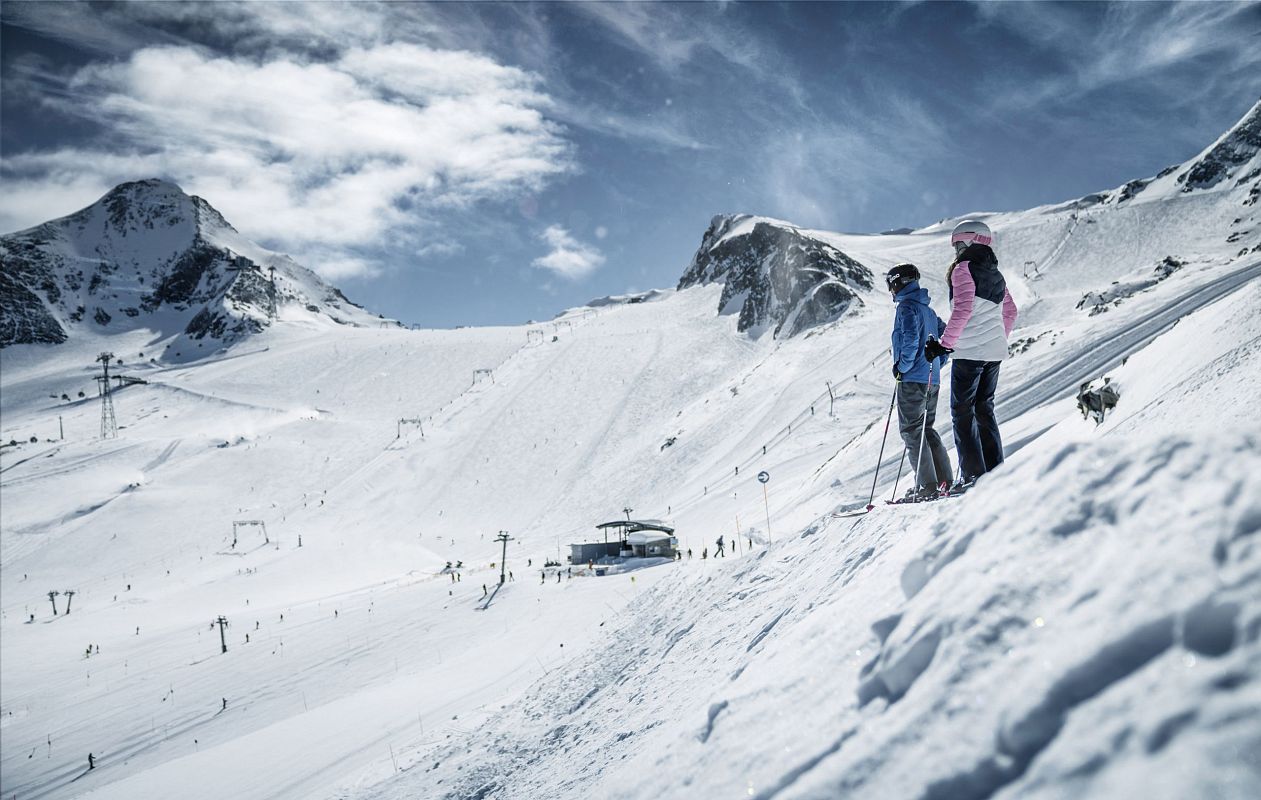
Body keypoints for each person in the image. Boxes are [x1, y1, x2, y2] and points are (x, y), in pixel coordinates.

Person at [925, 220, 1018, 492]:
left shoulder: (962, 269)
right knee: (984, 410)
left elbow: (963, 309)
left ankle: (973, 476)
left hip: (969, 353)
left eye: (957, 244)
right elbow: (1010, 312)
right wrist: (996, 339)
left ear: (970, 241)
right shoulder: (995, 274)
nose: (955, 250)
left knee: (962, 412)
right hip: (993, 353)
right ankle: (995, 471)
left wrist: (945, 344)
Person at [886, 263, 953, 500]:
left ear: (897, 283)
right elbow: (946, 339)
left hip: (912, 378)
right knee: (926, 429)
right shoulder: (929, 311)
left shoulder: (906, 308)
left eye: (890, 285)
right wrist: (937, 364)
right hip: (931, 379)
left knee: (912, 431)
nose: (891, 291)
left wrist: (901, 368)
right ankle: (943, 480)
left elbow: (912, 340)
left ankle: (927, 486)